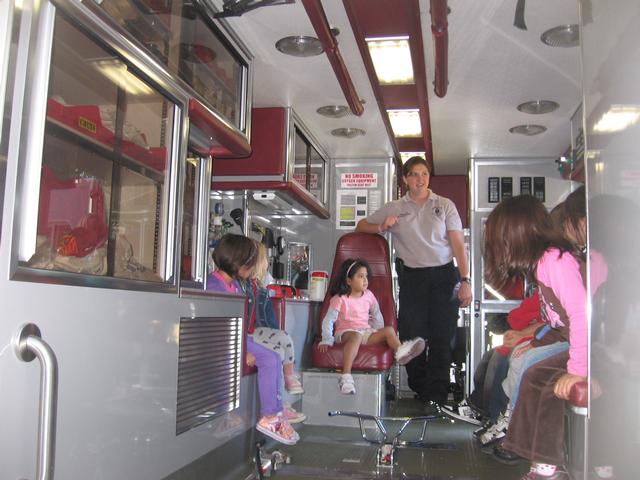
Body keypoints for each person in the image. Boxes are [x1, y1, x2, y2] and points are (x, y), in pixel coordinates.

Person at [483, 194, 606, 479]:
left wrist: (577, 371)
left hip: (593, 344)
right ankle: (540, 459)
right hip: (572, 337)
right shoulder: (544, 262)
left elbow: (580, 314)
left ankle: (545, 463)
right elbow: (556, 319)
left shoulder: (554, 260)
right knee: (535, 374)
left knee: (539, 377)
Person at [356, 156, 472, 405]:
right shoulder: (395, 207)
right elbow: (361, 225)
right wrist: (382, 227)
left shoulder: (444, 204)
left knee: (442, 338)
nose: (420, 179)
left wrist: (465, 280)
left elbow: (458, 245)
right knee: (411, 337)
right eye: (415, 174)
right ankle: (421, 389)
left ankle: (437, 397)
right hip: (413, 279)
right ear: (406, 179)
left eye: (424, 174)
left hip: (444, 275)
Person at [207, 234, 299, 445]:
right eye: (249, 261)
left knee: (273, 357)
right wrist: (242, 351)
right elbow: (219, 328)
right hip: (225, 341)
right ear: (238, 262)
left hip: (238, 337)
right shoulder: (215, 287)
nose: (251, 266)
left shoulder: (235, 286)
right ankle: (266, 415)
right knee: (268, 358)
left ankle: (273, 413)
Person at [317, 258, 425, 394]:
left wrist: (376, 331)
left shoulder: (369, 295)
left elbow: (377, 314)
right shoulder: (340, 299)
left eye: (366, 276)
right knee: (355, 336)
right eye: (360, 276)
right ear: (349, 281)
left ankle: (401, 352)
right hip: (345, 333)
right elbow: (328, 320)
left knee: (389, 330)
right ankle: (346, 377)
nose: (365, 280)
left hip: (365, 332)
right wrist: (326, 339)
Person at [244, 242, 305, 397]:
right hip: (249, 336)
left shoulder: (260, 286)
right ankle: (280, 400)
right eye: (265, 260)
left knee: (281, 343)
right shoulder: (245, 287)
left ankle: (285, 387)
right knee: (277, 349)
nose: (267, 264)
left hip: (258, 333)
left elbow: (271, 325)